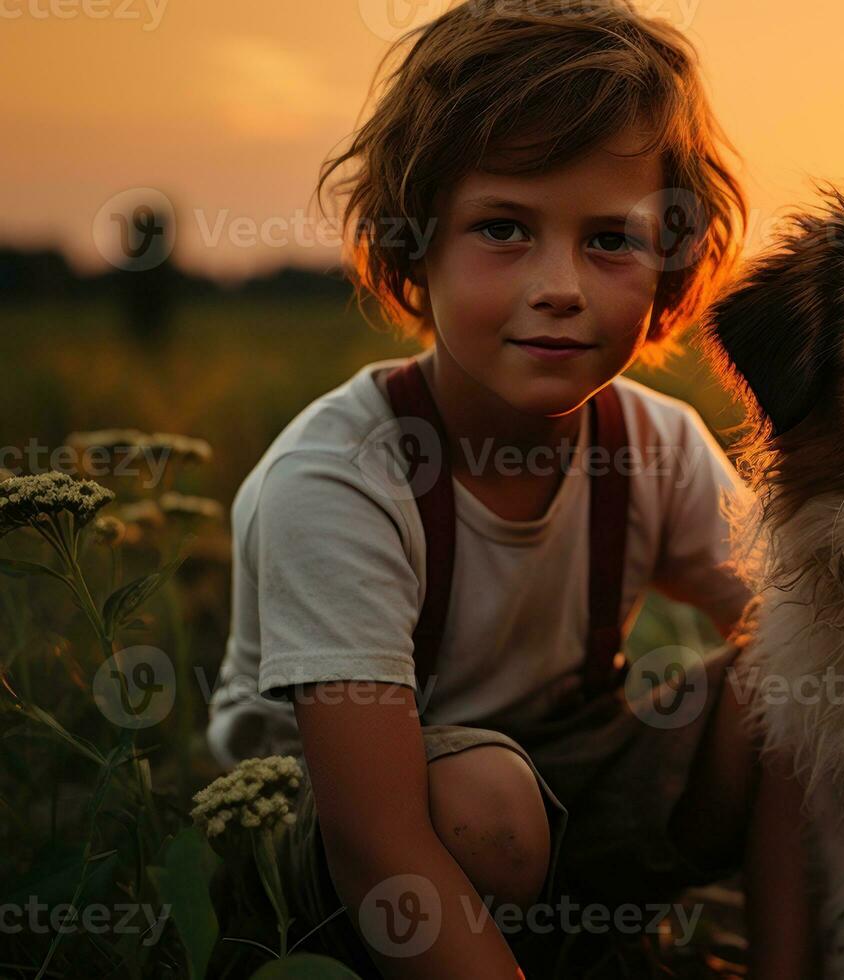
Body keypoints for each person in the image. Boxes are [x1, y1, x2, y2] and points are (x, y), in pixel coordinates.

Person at [203, 3, 813, 975]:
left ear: (671, 259)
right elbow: (376, 841)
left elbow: (808, 628)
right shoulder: (337, 480)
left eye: (610, 239)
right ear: (416, 244)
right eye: (503, 228)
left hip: (571, 797)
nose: (560, 284)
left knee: (802, 673)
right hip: (333, 849)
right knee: (491, 805)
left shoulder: (655, 446)